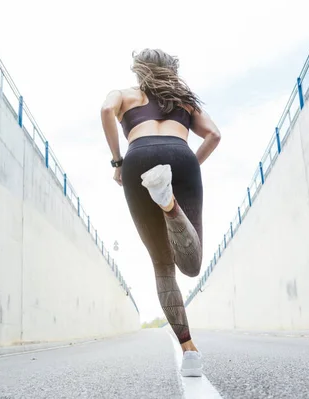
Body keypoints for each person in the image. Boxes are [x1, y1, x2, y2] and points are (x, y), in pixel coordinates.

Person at [100, 48, 221, 377]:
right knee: (192, 266)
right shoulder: (184, 101)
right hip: (180, 154)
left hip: (137, 158)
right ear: (172, 70)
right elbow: (214, 135)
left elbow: (106, 109)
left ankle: (189, 352)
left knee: (163, 268)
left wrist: (118, 162)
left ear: (139, 70)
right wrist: (187, 165)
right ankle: (168, 203)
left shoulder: (124, 94)